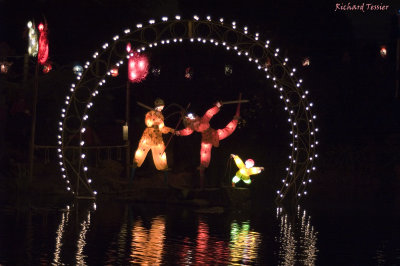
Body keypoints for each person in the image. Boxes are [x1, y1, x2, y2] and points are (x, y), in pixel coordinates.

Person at [176, 101, 240, 188]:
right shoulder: (191, 127)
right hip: (206, 138)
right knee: (205, 151)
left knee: (228, 130)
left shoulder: (203, 119)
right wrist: (179, 132)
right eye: (190, 121)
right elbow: (187, 131)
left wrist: (217, 106)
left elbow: (209, 113)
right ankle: (203, 165)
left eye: (193, 119)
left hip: (214, 134)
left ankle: (235, 120)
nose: (195, 123)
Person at [133, 98, 175, 171]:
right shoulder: (149, 114)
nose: (161, 109)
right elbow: (148, 123)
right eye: (161, 107)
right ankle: (136, 163)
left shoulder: (161, 116)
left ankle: (163, 166)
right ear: (157, 106)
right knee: (141, 151)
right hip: (148, 136)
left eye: (162, 107)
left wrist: (171, 130)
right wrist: (155, 117)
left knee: (160, 153)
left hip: (158, 137)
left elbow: (162, 128)